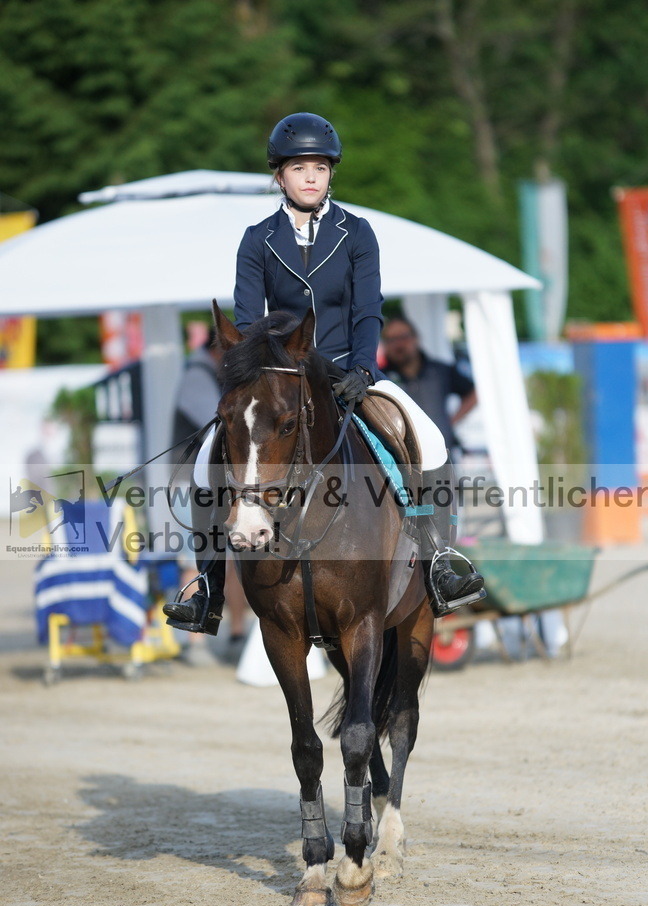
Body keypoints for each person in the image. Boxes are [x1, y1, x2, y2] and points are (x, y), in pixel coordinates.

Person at [164, 111, 484, 633]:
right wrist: (267, 373)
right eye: (299, 168)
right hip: (280, 377)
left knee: (429, 437)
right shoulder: (257, 239)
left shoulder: (356, 233)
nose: (310, 177)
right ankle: (208, 584)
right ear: (279, 176)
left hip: (348, 373)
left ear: (331, 172)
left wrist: (362, 367)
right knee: (206, 461)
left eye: (319, 167)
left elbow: (367, 309)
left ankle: (440, 558)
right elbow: (248, 320)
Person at [169, 326, 247, 662]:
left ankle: (236, 634)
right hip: (190, 487)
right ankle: (194, 641)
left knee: (236, 560)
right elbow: (222, 422)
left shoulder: (211, 373)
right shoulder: (197, 375)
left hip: (217, 486)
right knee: (194, 560)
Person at [382, 316, 478, 448]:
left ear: (416, 338)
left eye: (403, 337)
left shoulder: (440, 371)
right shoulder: (380, 378)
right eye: (391, 340)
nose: (398, 344)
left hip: (442, 452)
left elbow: (473, 394)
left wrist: (450, 423)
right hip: (401, 456)